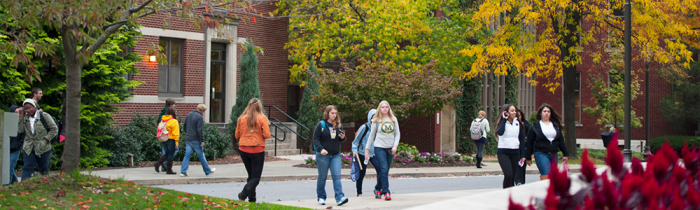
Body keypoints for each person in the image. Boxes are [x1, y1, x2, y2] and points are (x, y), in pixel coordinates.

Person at [235, 98, 271, 203]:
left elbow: (237, 135)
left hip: (243, 149)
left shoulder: (241, 118)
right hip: (257, 149)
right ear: (259, 106)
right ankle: (243, 193)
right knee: (256, 178)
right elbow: (267, 135)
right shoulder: (262, 118)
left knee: (251, 176)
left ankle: (252, 200)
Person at [313, 105, 349, 206]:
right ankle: (321, 197)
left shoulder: (338, 125)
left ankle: (339, 197)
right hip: (323, 155)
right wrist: (321, 149)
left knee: (336, 176)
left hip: (335, 154)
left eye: (335, 113)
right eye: (332, 113)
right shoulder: (321, 124)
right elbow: (315, 138)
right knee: (322, 177)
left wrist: (343, 137)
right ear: (327, 113)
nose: (334, 115)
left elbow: (342, 139)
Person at [365, 101, 401, 201]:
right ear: (379, 109)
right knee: (384, 169)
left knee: (385, 170)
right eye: (382, 107)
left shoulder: (393, 119)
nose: (385, 109)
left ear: (389, 108)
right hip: (379, 147)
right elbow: (372, 135)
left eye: (386, 107)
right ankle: (386, 192)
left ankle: (377, 188)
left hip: (390, 148)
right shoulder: (376, 120)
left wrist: (395, 146)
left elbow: (397, 134)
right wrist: (367, 149)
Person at [525, 103, 569, 180]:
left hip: (553, 154)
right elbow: (530, 142)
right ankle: (546, 190)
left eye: (548, 111)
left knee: (553, 176)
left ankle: (551, 191)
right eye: (544, 111)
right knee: (546, 174)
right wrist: (528, 157)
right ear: (540, 113)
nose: (546, 113)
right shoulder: (535, 126)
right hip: (541, 153)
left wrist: (565, 154)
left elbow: (561, 140)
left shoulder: (555, 125)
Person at [17, 99, 57, 180]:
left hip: (43, 146)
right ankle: (23, 186)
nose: (28, 110)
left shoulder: (44, 116)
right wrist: (21, 117)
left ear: (34, 106)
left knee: (43, 168)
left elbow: (54, 129)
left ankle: (45, 184)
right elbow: (21, 130)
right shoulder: (25, 118)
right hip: (29, 146)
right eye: (26, 109)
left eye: (29, 108)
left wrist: (46, 140)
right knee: (27, 167)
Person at [351, 109, 382, 197]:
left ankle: (378, 188)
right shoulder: (364, 127)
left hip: (374, 153)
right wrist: (354, 151)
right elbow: (355, 142)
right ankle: (359, 192)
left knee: (380, 170)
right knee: (362, 173)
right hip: (362, 153)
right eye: (373, 117)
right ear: (370, 118)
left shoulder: (379, 128)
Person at [495, 104, 526, 189]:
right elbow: (500, 132)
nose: (514, 112)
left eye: (515, 110)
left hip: (515, 152)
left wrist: (523, 155)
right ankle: (505, 193)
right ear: (506, 112)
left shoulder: (517, 123)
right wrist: (504, 120)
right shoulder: (501, 122)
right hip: (503, 152)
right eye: (512, 111)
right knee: (508, 174)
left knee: (512, 177)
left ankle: (510, 196)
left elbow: (522, 139)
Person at [180, 104, 216, 177]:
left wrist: (188, 133)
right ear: (202, 110)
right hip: (196, 139)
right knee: (201, 155)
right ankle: (207, 171)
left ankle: (183, 171)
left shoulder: (189, 115)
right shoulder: (199, 117)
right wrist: (202, 140)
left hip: (188, 138)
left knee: (187, 155)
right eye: (204, 111)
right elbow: (199, 130)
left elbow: (184, 126)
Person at [154, 107, 179, 175]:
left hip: (164, 138)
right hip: (171, 139)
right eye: (175, 112)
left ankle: (158, 163)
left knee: (167, 153)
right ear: (173, 113)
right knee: (170, 154)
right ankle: (169, 170)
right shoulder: (174, 121)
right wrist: (176, 142)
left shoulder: (163, 120)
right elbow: (175, 133)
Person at [158, 98, 177, 171]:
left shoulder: (162, 112)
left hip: (162, 133)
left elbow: (158, 122)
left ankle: (163, 163)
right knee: (173, 150)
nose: (174, 106)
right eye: (174, 104)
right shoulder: (169, 112)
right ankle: (163, 164)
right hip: (170, 135)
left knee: (165, 150)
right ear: (171, 105)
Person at [8, 105, 26, 184]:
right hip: (7, 148)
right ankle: (15, 183)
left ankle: (6, 185)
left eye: (18, 113)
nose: (17, 114)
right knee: (9, 168)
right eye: (15, 112)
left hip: (15, 149)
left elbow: (23, 136)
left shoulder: (22, 123)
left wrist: (18, 145)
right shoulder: (8, 123)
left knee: (9, 167)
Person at [514, 109, 531, 185]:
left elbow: (530, 133)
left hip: (524, 147)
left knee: (522, 165)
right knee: (516, 166)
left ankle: (522, 181)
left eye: (519, 115)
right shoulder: (513, 124)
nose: (518, 117)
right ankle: (517, 181)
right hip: (515, 147)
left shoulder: (525, 124)